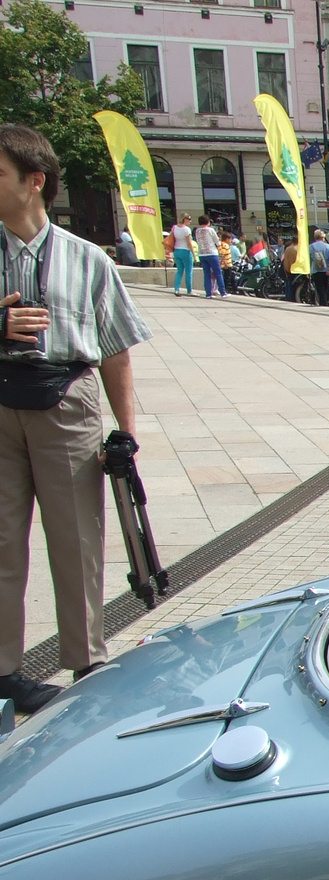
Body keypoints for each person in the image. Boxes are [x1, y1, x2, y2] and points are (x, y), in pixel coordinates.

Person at [0, 124, 151, 713]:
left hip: (66, 401)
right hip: (1, 404)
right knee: (3, 540)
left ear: (33, 182)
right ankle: (7, 671)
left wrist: (127, 431)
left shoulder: (88, 260)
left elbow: (115, 347)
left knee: (78, 538)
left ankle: (86, 660)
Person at [308, 228, 329, 305]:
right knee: (326, 288)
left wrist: (309, 271)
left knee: (319, 288)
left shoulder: (311, 247)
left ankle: (322, 303)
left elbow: (309, 259)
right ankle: (324, 303)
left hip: (316, 270)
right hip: (326, 270)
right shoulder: (327, 246)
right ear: (322, 237)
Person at [170, 212, 194, 295]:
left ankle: (176, 289)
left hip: (176, 250)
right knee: (189, 272)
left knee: (179, 271)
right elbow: (189, 243)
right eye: (189, 219)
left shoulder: (174, 227)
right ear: (185, 219)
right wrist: (194, 253)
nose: (190, 221)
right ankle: (189, 290)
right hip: (185, 251)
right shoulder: (187, 229)